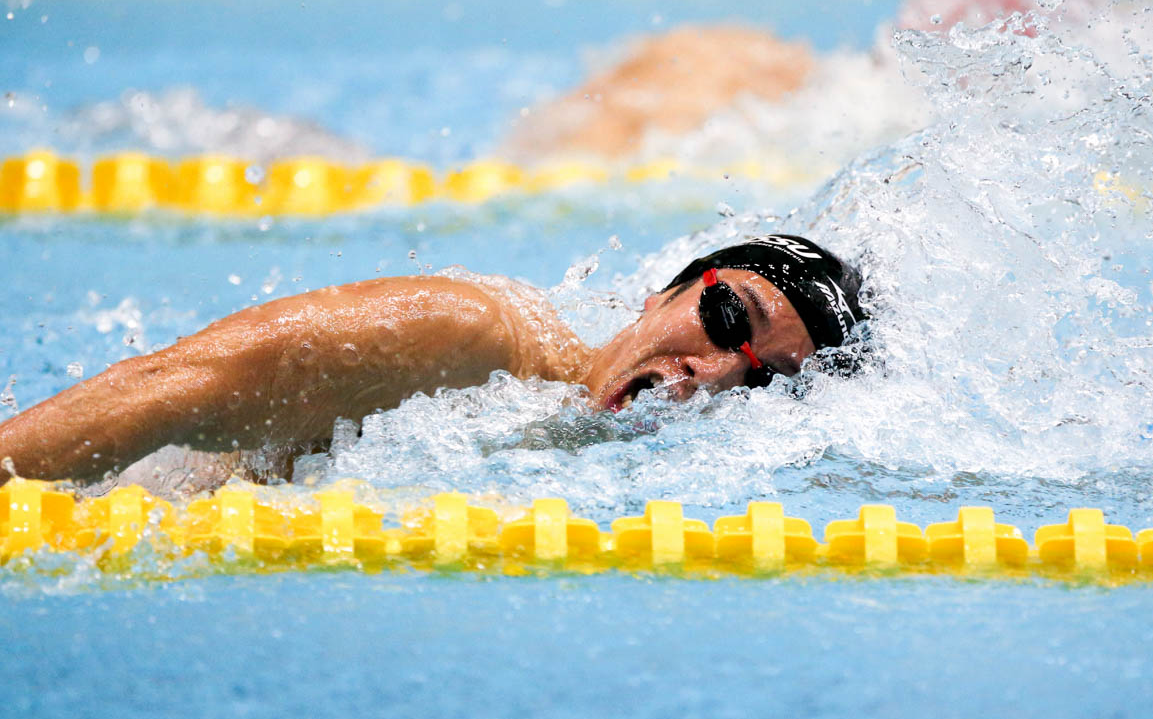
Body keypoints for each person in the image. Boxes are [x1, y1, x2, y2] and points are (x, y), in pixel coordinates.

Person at [0, 234, 864, 488]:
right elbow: (161, 389)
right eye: (725, 317)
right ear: (664, 293)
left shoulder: (594, 458)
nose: (715, 370)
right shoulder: (463, 336)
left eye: (763, 379)